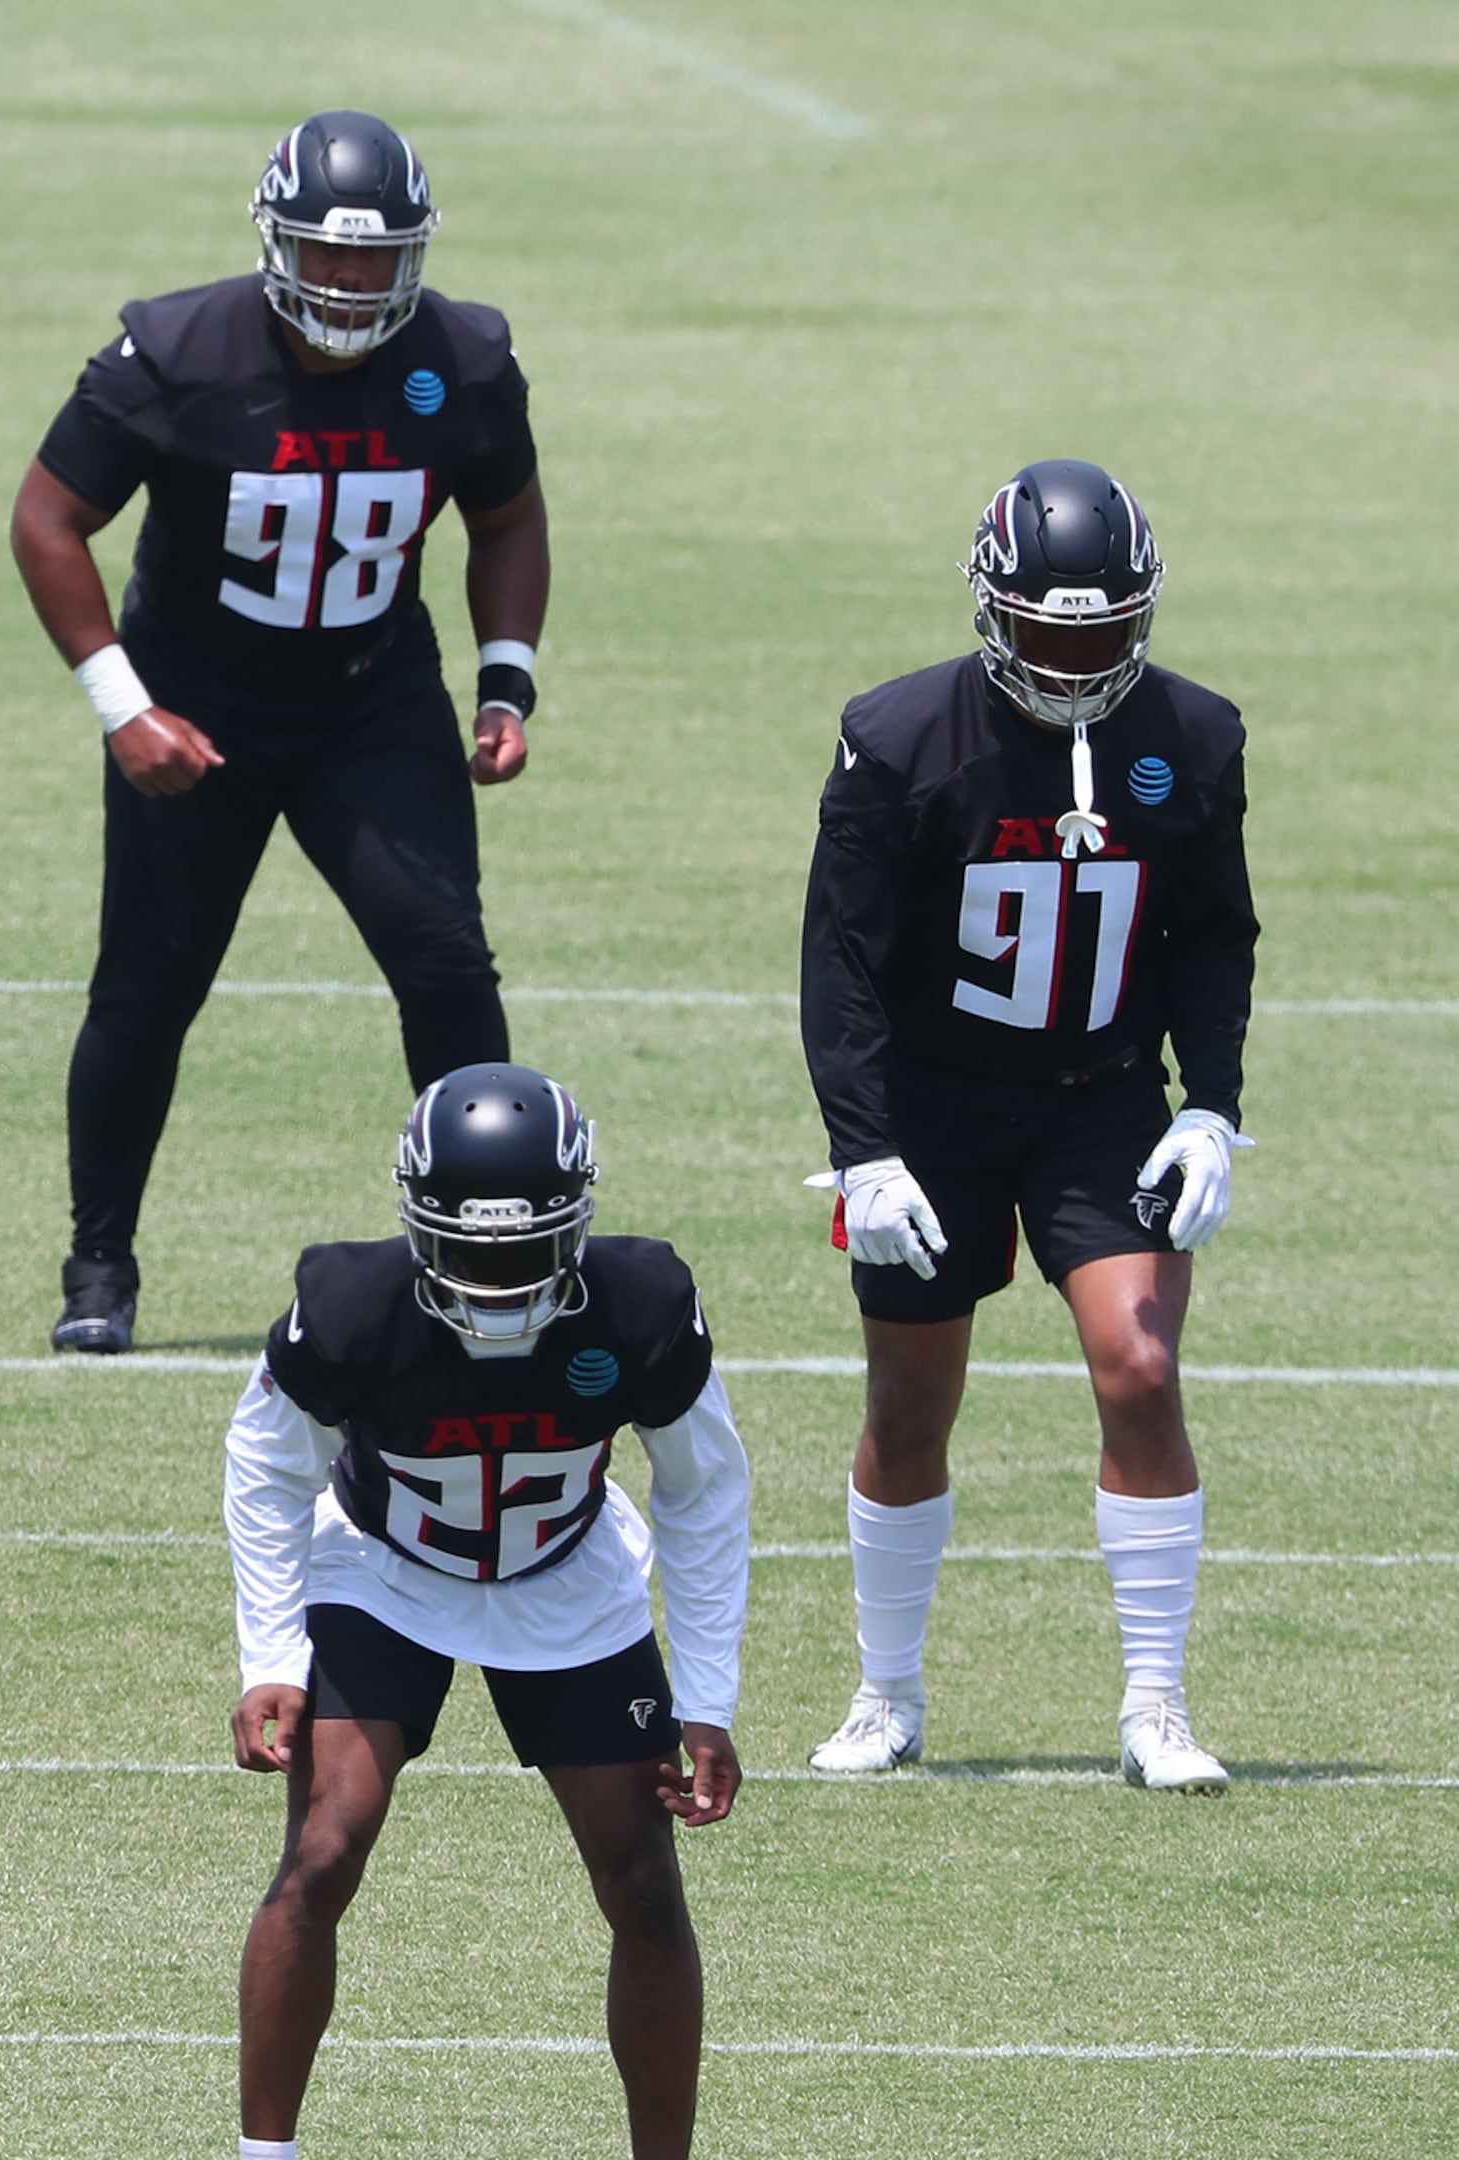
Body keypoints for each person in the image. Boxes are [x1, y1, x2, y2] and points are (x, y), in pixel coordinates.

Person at [11, 108, 551, 1355]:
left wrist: (506, 682)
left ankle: (491, 1235)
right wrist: (125, 708)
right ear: (275, 243)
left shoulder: (463, 357)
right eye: (327, 252)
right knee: (146, 995)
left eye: (377, 257)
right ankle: (99, 1267)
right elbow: (48, 519)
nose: (353, 281)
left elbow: (509, 514)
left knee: (447, 965)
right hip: (194, 707)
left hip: (372, 704)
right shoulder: (174, 351)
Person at [799, 459, 1257, 1794]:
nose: (1076, 659)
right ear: (993, 612)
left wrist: (1214, 1107)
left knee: (1142, 1370)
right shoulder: (898, 738)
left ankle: (1156, 1705)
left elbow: (1212, 939)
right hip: (932, 1116)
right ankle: (888, 1694)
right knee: (908, 1401)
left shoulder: (1196, 736)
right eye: (1052, 630)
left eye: (1104, 630)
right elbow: (845, 962)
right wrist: (864, 1146)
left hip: (1100, 1104)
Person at [222, 1065, 746, 2160]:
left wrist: (706, 1698)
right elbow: (265, 1467)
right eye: (469, 1252)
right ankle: (261, 2157)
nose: (497, 1283)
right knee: (323, 1848)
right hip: (385, 1570)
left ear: (578, 1225)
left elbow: (705, 1490)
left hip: (568, 1580)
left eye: (523, 1251)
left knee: (645, 1882)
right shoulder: (350, 1310)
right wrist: (271, 1652)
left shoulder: (643, 1306)